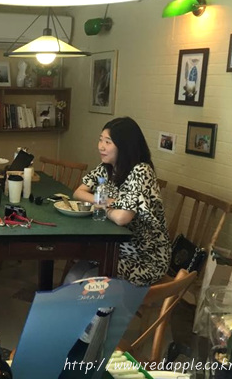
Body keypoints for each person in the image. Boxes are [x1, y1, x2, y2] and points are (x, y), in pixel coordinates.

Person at [70, 117, 171, 286]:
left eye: (108, 142)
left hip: (143, 257)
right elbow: (78, 192)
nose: (101, 146)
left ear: (124, 146)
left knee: (87, 281)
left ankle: (102, 305)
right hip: (114, 247)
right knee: (74, 277)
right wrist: (106, 201)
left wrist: (102, 205)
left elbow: (122, 218)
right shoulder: (107, 167)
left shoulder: (141, 171)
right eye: (101, 140)